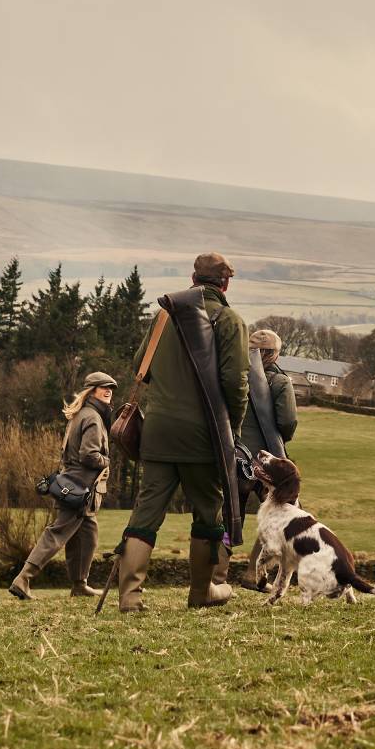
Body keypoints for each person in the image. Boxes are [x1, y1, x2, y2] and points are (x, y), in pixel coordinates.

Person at [105, 253, 249, 612]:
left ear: (193, 278)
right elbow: (235, 382)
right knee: (208, 513)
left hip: (157, 430)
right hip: (205, 436)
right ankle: (202, 593)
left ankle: (130, 598)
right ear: (225, 284)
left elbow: (141, 365)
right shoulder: (229, 320)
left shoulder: (165, 313)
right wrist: (234, 426)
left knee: (147, 511)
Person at [13, 370, 117, 598]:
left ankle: (79, 584)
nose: (109, 390)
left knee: (88, 535)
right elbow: (89, 455)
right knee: (57, 534)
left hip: (75, 487)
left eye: (111, 388)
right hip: (79, 489)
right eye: (103, 387)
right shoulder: (92, 417)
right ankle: (23, 579)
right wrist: (107, 460)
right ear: (92, 391)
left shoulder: (82, 414)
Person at [233, 327, 298, 589]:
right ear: (275, 354)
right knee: (277, 516)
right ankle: (253, 572)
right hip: (266, 463)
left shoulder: (234, 376)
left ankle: (217, 576)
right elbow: (288, 422)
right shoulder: (280, 382)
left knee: (229, 518)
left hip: (235, 456)